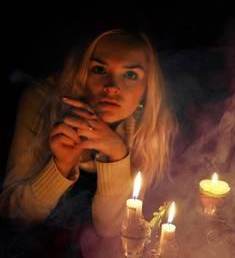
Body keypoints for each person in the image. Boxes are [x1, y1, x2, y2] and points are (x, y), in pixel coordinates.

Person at [0, 29, 176, 237]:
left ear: (146, 88)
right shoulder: (42, 102)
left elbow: (111, 230)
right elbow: (15, 217)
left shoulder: (151, 125)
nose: (112, 88)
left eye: (130, 75)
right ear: (80, 74)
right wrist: (61, 165)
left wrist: (116, 154)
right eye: (99, 70)